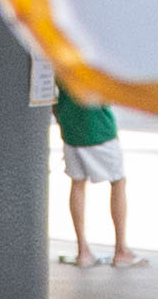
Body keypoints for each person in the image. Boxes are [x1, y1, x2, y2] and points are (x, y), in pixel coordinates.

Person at [56, 85, 139, 267]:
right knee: (118, 181)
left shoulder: (62, 59)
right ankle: (121, 250)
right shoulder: (93, 59)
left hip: (70, 129)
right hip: (99, 128)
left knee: (77, 183)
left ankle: (83, 252)